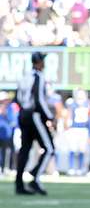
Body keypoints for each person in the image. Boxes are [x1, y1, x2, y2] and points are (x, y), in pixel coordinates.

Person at [13, 52, 55, 195]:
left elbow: (18, 98)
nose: (44, 64)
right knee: (49, 148)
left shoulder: (24, 77)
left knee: (25, 149)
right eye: (43, 61)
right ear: (38, 63)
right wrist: (49, 116)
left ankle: (19, 184)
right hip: (34, 115)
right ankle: (35, 177)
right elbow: (39, 99)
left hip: (23, 114)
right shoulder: (38, 77)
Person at [0, 93, 16, 174]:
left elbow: (13, 120)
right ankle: (1, 168)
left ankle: (7, 168)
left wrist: (5, 113)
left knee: (7, 151)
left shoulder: (10, 108)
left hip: (6, 134)